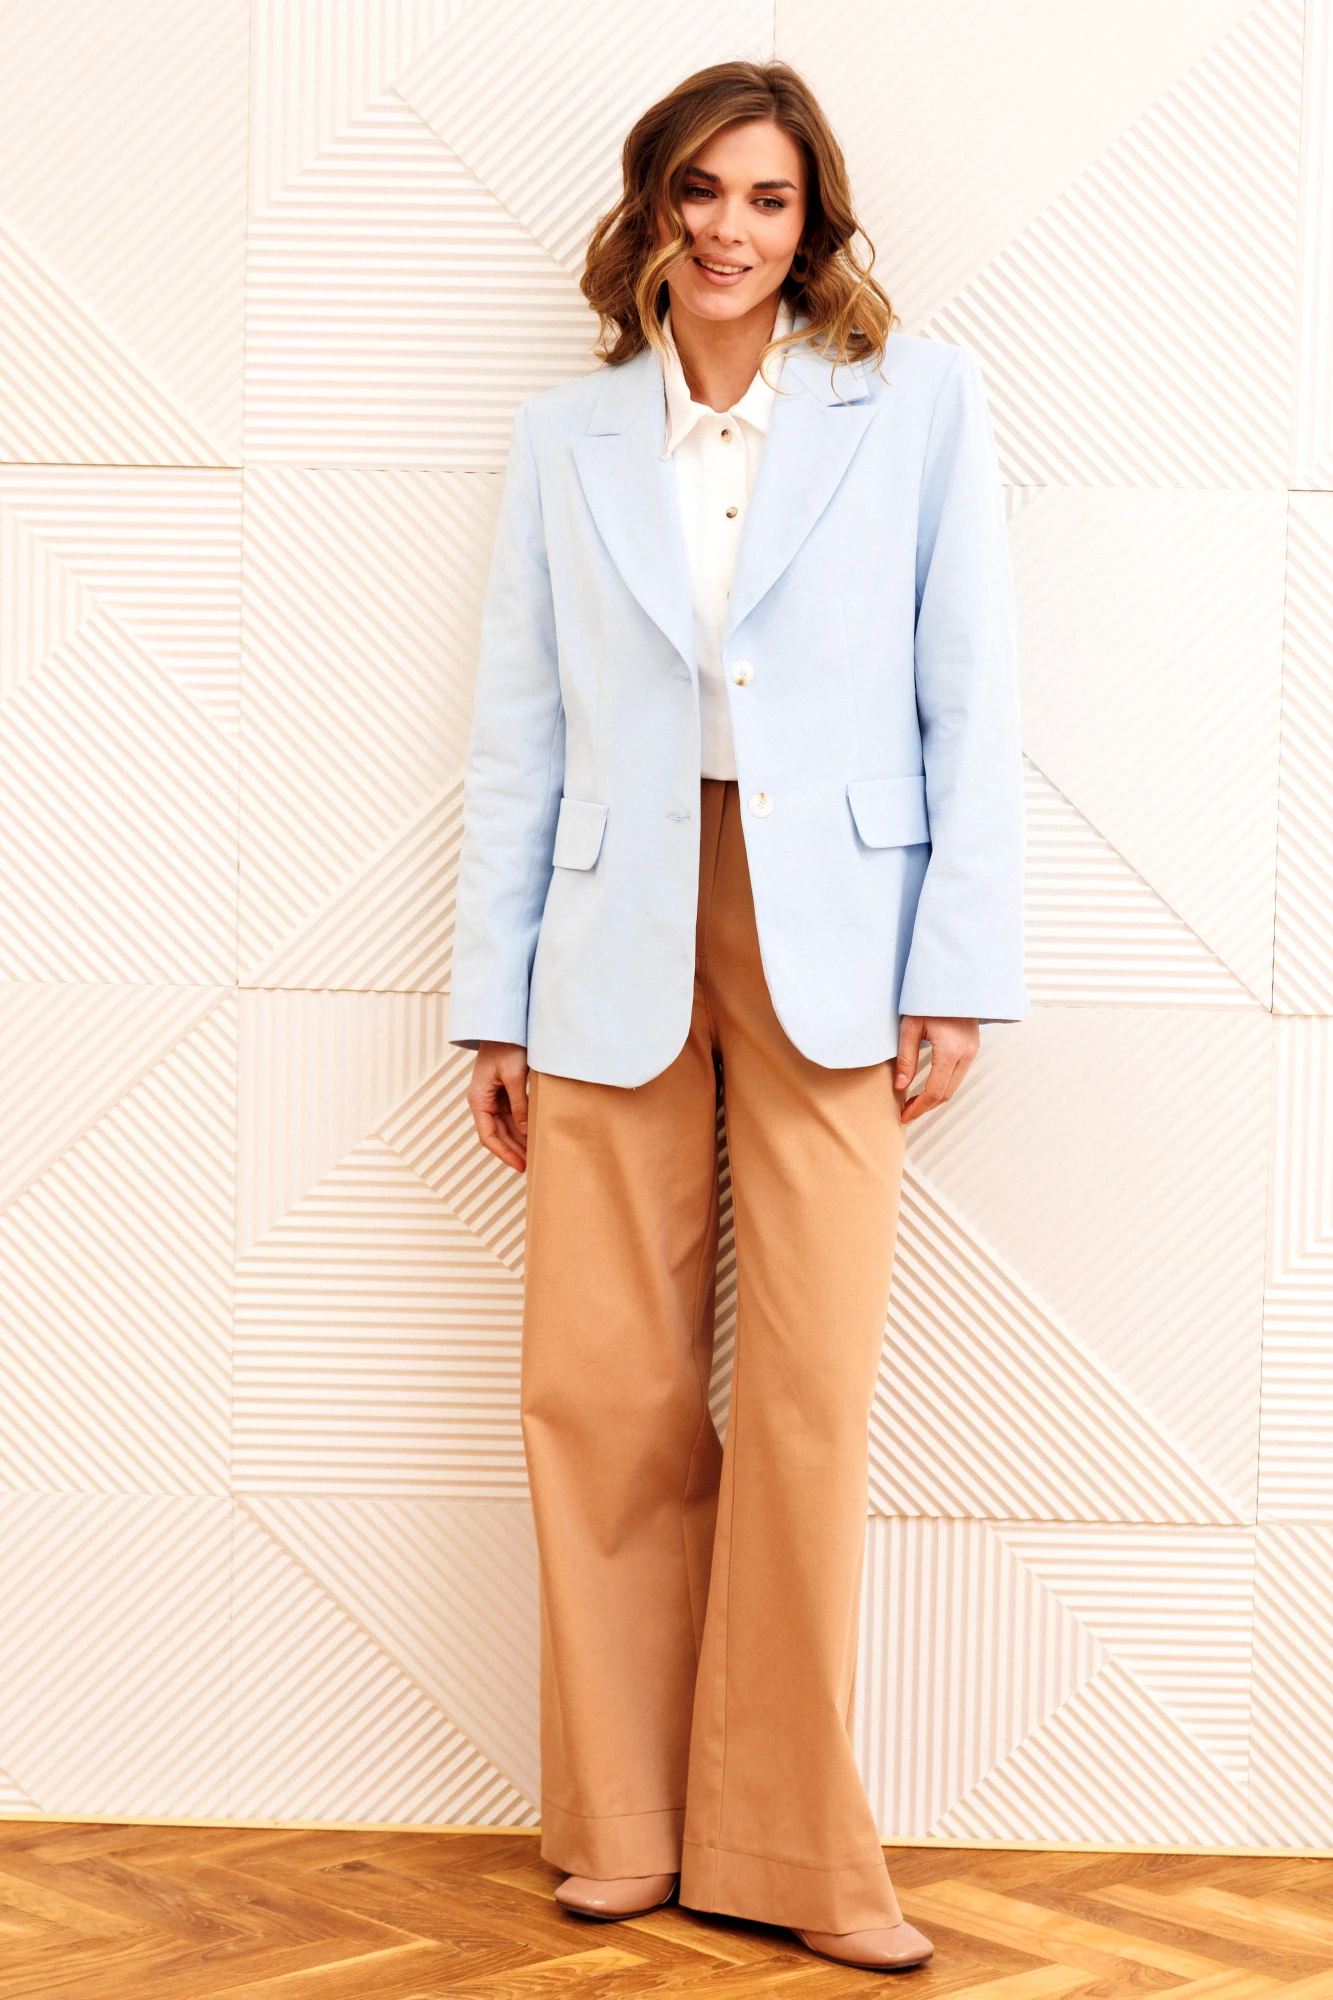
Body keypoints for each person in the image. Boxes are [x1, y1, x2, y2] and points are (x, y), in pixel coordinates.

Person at [450, 59, 1026, 1976]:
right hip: (613, 924)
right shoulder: (566, 437)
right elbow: (519, 731)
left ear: (812, 222)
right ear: (650, 211)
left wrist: (955, 968)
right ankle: (622, 1822)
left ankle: (786, 1844)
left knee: (808, 1391)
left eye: (768, 198)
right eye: (699, 190)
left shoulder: (916, 403)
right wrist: (494, 1000)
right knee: (599, 1385)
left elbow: (971, 695)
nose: (729, 228)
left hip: (838, 932)